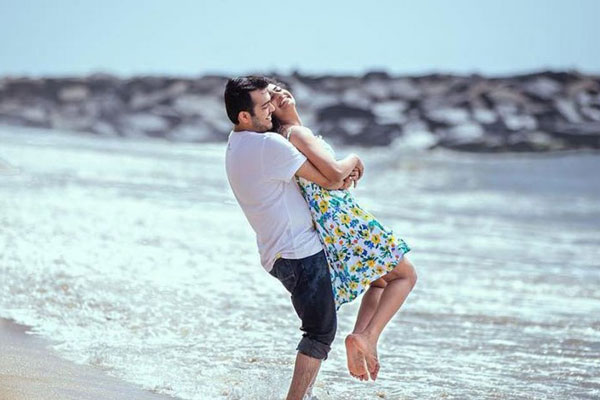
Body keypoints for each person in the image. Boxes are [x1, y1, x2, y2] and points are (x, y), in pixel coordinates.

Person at [267, 81, 418, 382]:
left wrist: (341, 174)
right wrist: (354, 160)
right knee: (406, 275)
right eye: (272, 97)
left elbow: (326, 176)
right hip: (345, 219)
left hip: (332, 221)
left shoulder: (287, 138)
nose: (280, 95)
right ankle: (369, 337)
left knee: (379, 281)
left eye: (281, 89)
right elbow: (334, 173)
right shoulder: (296, 133)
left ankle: (360, 337)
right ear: (268, 111)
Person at [224, 76, 362, 400]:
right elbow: (332, 177)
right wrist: (353, 161)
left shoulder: (237, 142)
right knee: (320, 331)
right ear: (244, 116)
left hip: (281, 253)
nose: (271, 108)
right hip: (299, 252)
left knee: (319, 327)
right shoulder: (266, 146)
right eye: (263, 105)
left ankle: (304, 395)